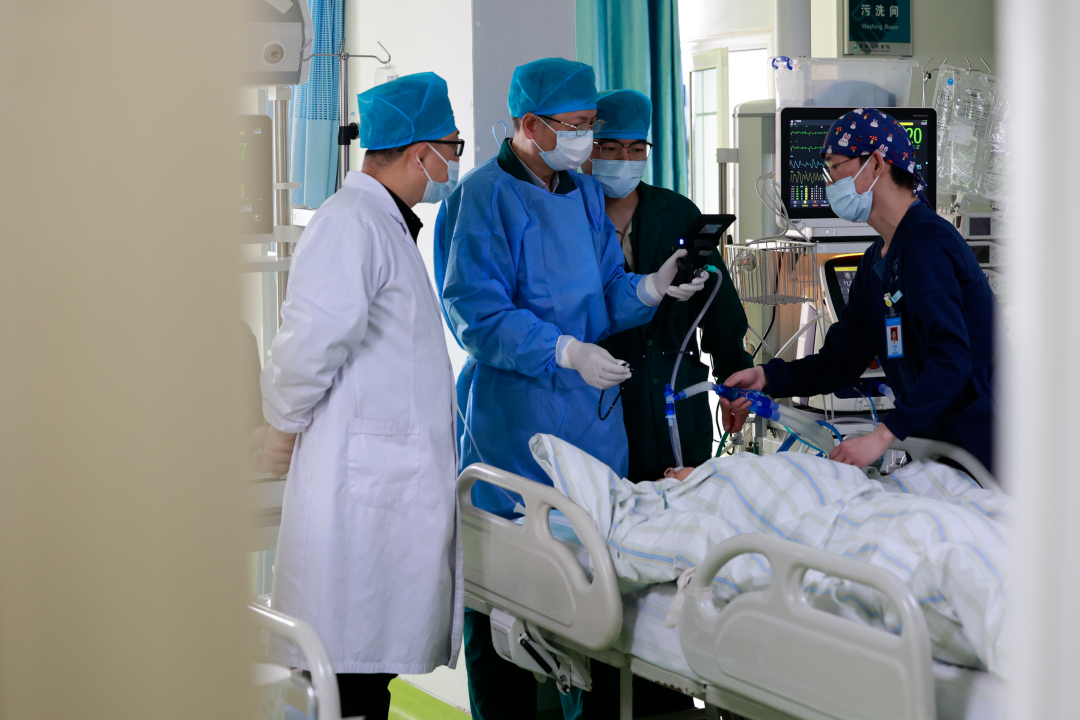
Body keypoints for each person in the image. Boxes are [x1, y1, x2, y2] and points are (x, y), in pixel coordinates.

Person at [433, 57, 708, 720]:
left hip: (591, 425)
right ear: (530, 125)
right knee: (505, 611)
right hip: (513, 429)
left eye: (590, 124)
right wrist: (563, 350)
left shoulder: (583, 195)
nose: (588, 139)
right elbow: (477, 314)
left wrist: (649, 288)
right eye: (577, 125)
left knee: (587, 614)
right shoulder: (482, 199)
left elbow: (606, 291)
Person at [256, 72, 464, 720]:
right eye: (451, 148)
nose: (453, 162)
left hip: (380, 486)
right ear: (418, 151)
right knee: (346, 680)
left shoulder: (383, 223)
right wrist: (281, 427)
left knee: (362, 678)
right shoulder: (352, 223)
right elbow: (309, 343)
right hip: (362, 492)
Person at [725, 108, 997, 473]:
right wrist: (766, 377)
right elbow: (839, 363)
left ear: (876, 163)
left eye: (835, 168)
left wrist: (882, 436)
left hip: (985, 445)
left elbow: (951, 361)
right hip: (940, 447)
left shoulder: (927, 245)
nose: (830, 182)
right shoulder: (874, 264)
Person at [585, 89, 753, 481]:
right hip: (601, 398)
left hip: (676, 393)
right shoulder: (572, 216)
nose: (624, 159)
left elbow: (720, 310)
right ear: (587, 148)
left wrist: (734, 381)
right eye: (610, 148)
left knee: (687, 504)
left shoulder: (676, 212)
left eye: (636, 148)